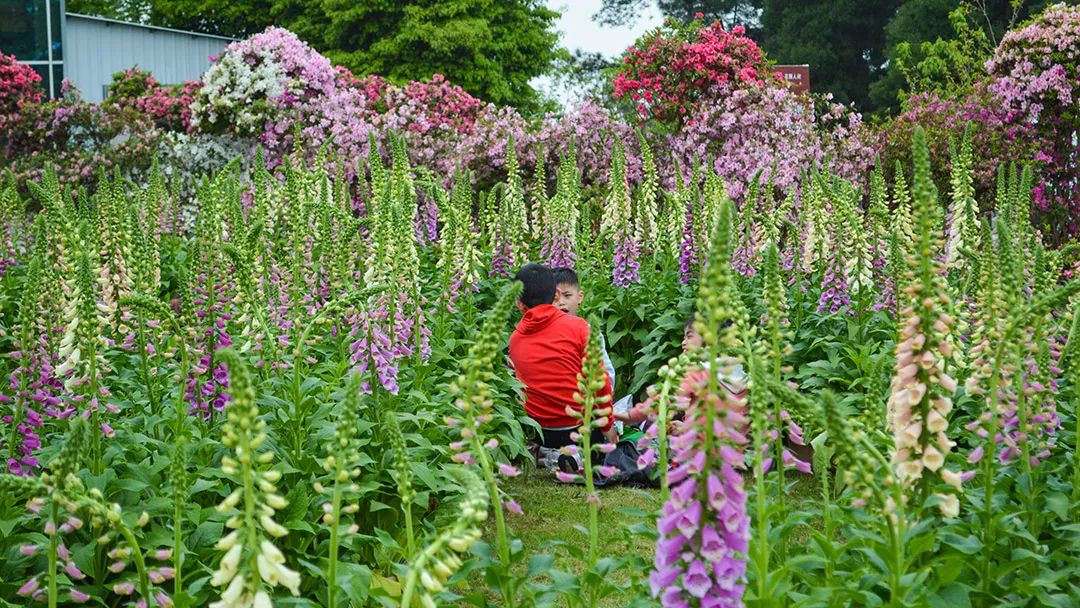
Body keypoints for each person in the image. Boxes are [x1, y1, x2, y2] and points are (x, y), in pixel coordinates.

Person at [508, 264, 618, 458]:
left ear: (519, 304)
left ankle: (543, 452)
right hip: (578, 430)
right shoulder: (579, 327)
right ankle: (576, 454)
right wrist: (608, 427)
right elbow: (600, 381)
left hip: (539, 433)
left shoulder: (515, 339)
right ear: (557, 295)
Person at [551, 268, 616, 390]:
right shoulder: (544, 332)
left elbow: (608, 377)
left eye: (567, 296)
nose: (561, 302)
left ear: (580, 297)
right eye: (555, 297)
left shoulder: (590, 332)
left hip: (587, 398)